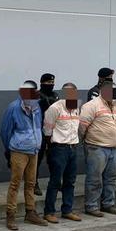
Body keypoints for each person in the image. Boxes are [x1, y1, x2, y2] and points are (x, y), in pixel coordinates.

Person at [1, 80, 47, 230]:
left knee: (31, 184)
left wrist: (37, 143)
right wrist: (10, 149)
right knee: (15, 184)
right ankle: (11, 215)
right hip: (19, 151)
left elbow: (38, 126)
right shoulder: (14, 107)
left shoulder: (36, 107)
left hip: (34, 151)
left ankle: (30, 212)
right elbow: (5, 132)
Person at [78, 79, 116, 217]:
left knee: (111, 178)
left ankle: (107, 204)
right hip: (96, 147)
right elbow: (82, 127)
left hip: (113, 148)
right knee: (95, 178)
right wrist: (87, 141)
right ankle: (91, 206)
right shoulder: (91, 106)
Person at [42, 83, 82, 223]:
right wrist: (52, 149)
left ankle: (67, 210)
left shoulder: (77, 108)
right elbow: (47, 132)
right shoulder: (54, 109)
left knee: (70, 181)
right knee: (55, 181)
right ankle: (49, 212)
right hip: (58, 149)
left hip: (73, 148)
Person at [33, 73, 58, 196]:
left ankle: (55, 182)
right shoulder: (36, 95)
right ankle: (34, 183)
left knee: (54, 159)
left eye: (52, 83)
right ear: (42, 83)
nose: (51, 85)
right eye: (48, 83)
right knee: (37, 160)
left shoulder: (55, 96)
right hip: (39, 131)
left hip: (53, 131)